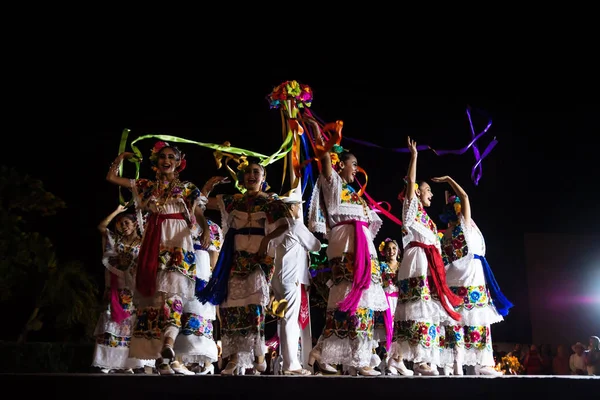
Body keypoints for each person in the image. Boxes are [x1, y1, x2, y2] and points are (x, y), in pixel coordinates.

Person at [106, 141, 210, 375]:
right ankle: (161, 359)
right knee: (154, 300)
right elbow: (112, 177)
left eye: (171, 157)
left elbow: (199, 211)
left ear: (178, 163)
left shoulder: (187, 187)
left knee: (174, 296)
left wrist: (203, 228)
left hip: (179, 243)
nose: (167, 161)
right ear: (156, 162)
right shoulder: (146, 186)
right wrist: (121, 157)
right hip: (154, 242)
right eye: (163, 157)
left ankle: (168, 345)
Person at [306, 119, 388, 376]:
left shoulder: (355, 194)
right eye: (353, 164)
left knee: (354, 301)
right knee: (349, 300)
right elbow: (324, 157)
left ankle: (320, 351)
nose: (356, 169)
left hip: (362, 248)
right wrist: (323, 135)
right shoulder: (333, 185)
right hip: (346, 247)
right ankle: (359, 360)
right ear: (341, 165)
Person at [197, 158, 291, 375]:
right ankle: (234, 358)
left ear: (263, 177)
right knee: (232, 307)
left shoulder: (270, 202)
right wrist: (208, 186)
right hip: (235, 259)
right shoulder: (233, 201)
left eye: (256, 171)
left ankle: (258, 353)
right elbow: (200, 205)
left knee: (255, 306)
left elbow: (285, 225)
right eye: (248, 171)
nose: (251, 175)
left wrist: (267, 241)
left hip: (259, 260)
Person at [389, 137, 463, 376]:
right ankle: (419, 361)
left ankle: (398, 358)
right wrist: (414, 156)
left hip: (427, 263)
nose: (430, 192)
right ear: (417, 193)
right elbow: (410, 180)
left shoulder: (428, 220)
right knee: (416, 307)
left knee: (419, 308)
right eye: (427, 189)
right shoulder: (411, 207)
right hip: (417, 260)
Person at [434, 175, 510, 376]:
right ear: (458, 211)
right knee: (477, 318)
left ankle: (456, 363)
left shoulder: (444, 235)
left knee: (456, 319)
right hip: (471, 274)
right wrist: (450, 180)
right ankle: (481, 364)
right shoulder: (464, 226)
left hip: (453, 277)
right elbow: (465, 196)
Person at [91, 204, 148, 373]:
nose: (124, 226)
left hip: (134, 291)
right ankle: (108, 363)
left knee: (132, 326)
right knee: (111, 321)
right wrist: (117, 211)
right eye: (121, 223)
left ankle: (130, 364)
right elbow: (101, 227)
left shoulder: (142, 242)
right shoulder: (115, 240)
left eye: (127, 223)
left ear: (135, 225)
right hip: (116, 289)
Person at [271, 189, 321, 375]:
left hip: (278, 278)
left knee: (284, 320)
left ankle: (287, 362)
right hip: (291, 278)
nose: (299, 209)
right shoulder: (294, 225)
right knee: (290, 321)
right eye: (298, 205)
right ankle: (291, 364)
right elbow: (315, 245)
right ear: (292, 207)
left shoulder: (274, 225)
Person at [172, 220, 222, 375]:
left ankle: (206, 362)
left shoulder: (212, 227)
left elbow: (215, 255)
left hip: (203, 271)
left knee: (202, 313)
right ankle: (179, 359)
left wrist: (214, 282)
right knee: (182, 311)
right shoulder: (181, 222)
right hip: (183, 268)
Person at [374, 238, 410, 375]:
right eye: (388, 249)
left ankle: (396, 360)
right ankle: (387, 359)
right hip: (386, 301)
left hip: (399, 301)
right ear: (384, 252)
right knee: (386, 331)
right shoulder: (381, 266)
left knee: (398, 331)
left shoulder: (402, 266)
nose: (391, 251)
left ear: (398, 251)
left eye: (394, 248)